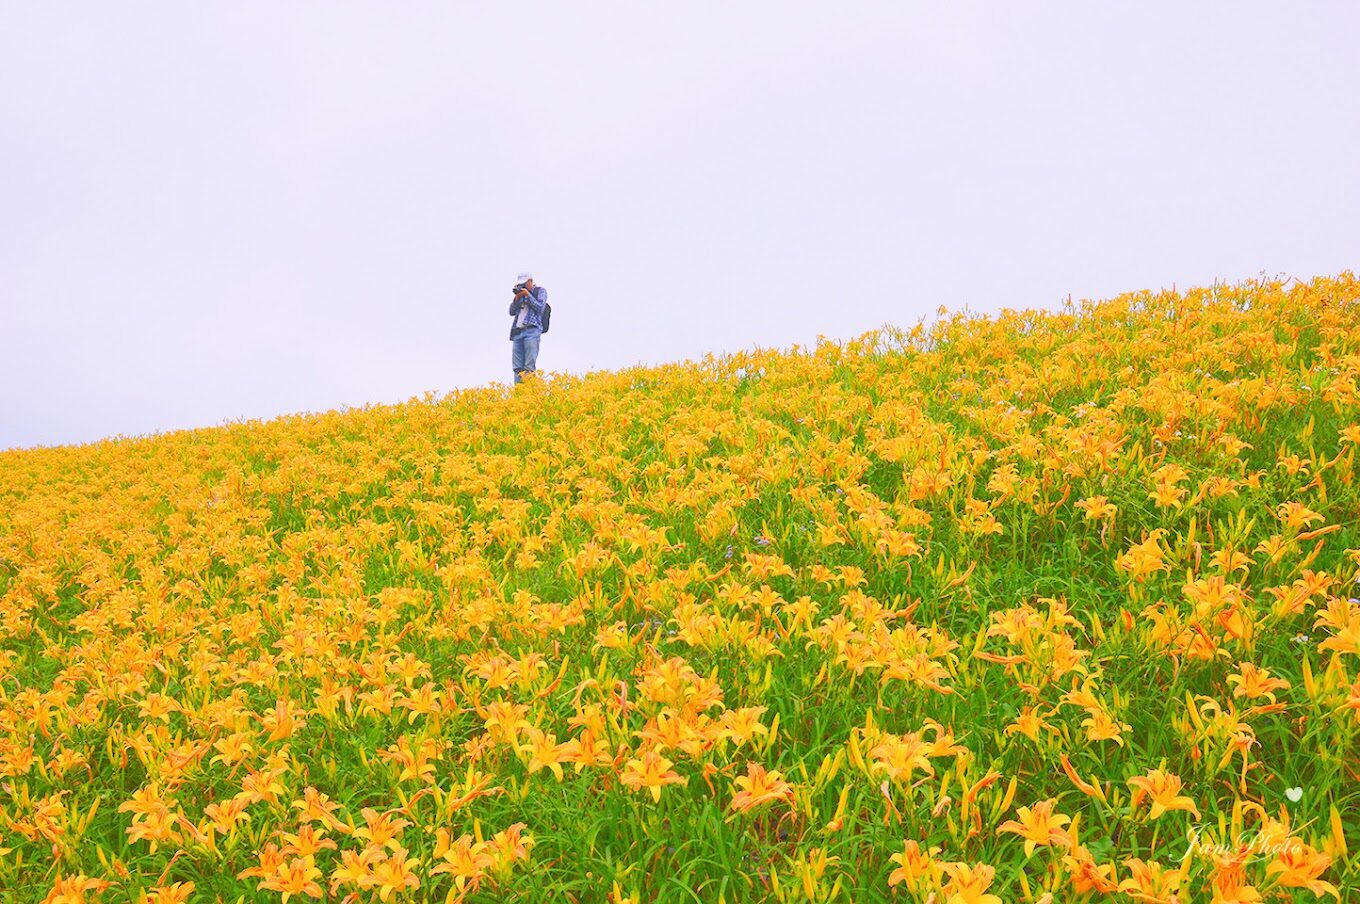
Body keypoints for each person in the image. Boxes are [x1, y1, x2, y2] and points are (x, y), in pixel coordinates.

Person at [508, 271, 548, 384]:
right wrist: (517, 298)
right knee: (517, 367)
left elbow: (540, 308)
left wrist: (528, 295)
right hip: (517, 332)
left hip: (532, 330)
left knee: (529, 365)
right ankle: (518, 395)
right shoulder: (520, 294)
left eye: (525, 283)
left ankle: (529, 394)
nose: (523, 286)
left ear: (530, 281)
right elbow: (511, 312)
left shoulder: (540, 291)